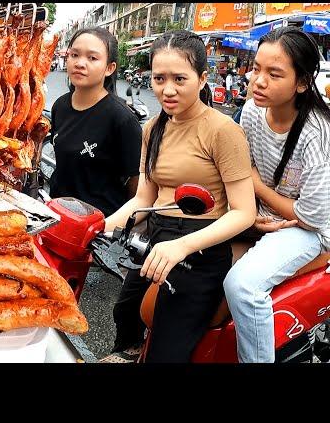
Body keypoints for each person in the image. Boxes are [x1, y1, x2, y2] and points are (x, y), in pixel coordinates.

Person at [101, 29, 256, 363]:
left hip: (200, 246)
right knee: (125, 312)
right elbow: (145, 196)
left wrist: (184, 245)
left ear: (202, 79)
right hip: (157, 236)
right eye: (159, 78)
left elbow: (244, 212)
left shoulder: (223, 130)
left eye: (179, 79)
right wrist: (100, 225)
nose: (166, 90)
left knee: (167, 350)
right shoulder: (153, 127)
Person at [223, 27, 330, 363]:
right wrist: (249, 207)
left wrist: (255, 186)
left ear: (301, 82)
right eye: (256, 68)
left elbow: (311, 217)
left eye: (274, 73)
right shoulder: (253, 111)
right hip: (262, 214)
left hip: (311, 231)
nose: (258, 81)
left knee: (242, 287)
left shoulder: (318, 133)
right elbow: (239, 168)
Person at [48, 27, 142, 218]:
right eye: (74, 55)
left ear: (109, 68)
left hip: (99, 226)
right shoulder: (60, 106)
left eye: (92, 58)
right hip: (57, 215)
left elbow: (136, 182)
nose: (80, 63)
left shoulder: (122, 118)